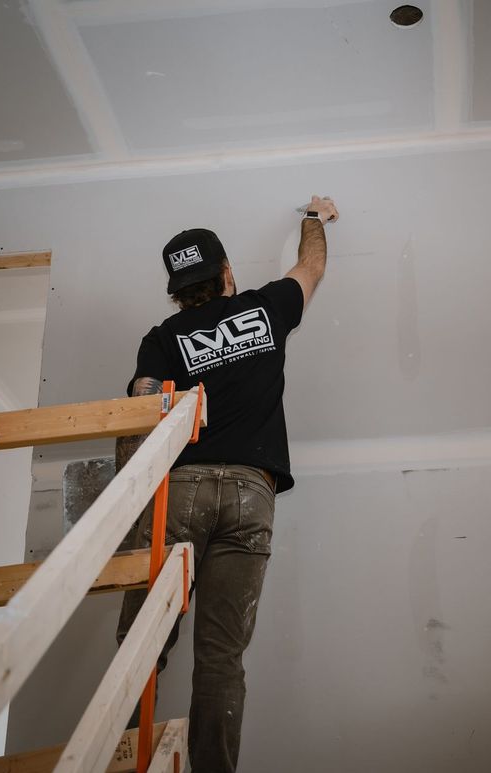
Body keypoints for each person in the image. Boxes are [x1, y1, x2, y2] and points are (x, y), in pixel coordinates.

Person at [115, 195, 340, 772]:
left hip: (181, 489)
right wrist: (312, 218)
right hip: (250, 495)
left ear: (176, 291)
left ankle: (121, 761)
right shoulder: (265, 309)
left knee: (143, 644)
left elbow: (142, 404)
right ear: (227, 275)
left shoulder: (162, 338)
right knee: (220, 658)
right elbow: (311, 266)